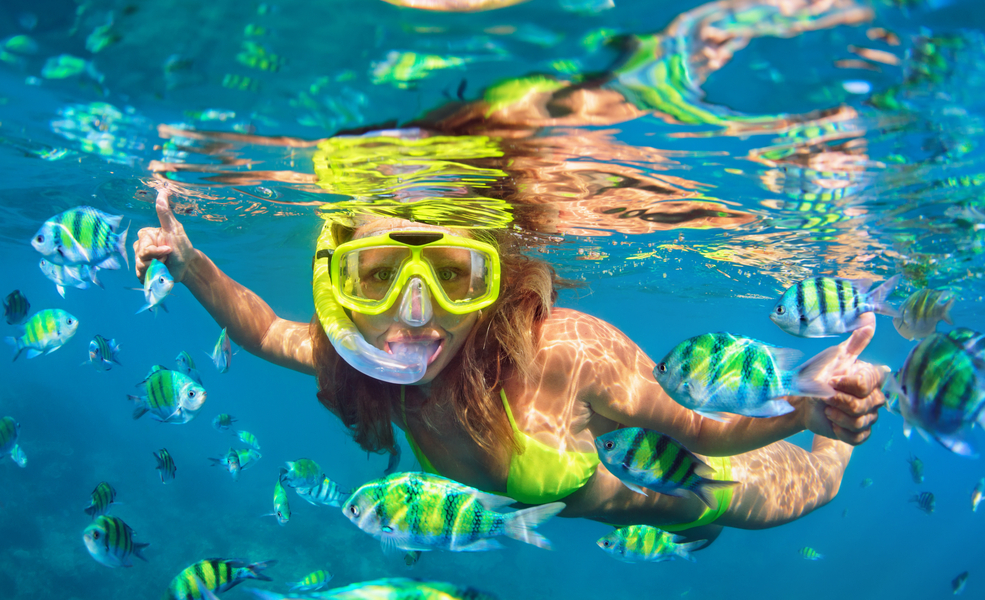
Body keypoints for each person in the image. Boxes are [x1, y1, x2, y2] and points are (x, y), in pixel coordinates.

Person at [134, 186, 886, 543]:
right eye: (378, 276)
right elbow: (265, 331)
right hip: (625, 505)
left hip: (707, 492)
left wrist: (807, 413)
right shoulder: (365, 366)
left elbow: (705, 429)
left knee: (817, 483)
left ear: (493, 283)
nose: (413, 313)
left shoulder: (567, 353)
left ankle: (842, 412)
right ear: (341, 285)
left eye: (454, 276)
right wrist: (189, 261)